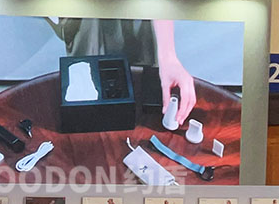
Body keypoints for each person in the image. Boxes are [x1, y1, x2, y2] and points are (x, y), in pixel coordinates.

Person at [47, 17, 196, 125]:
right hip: (86, 16)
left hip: (137, 16)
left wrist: (168, 56)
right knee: (85, 98)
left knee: (142, 101)